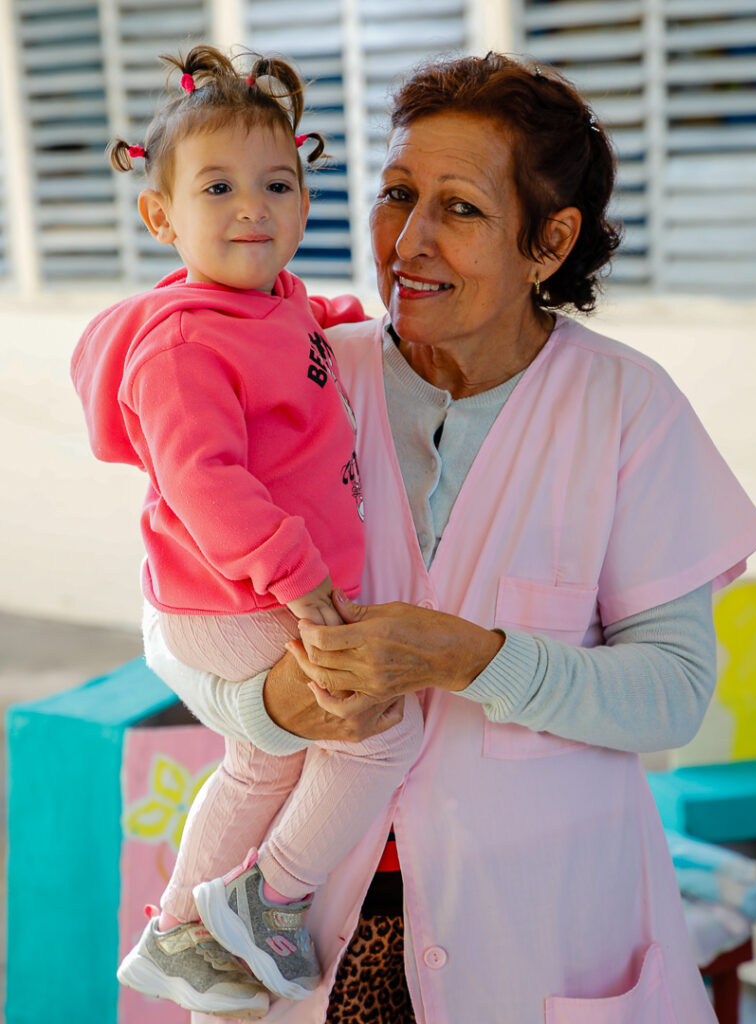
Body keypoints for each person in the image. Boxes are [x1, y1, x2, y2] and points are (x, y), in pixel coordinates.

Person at [143, 52, 756, 1024]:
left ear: (549, 240)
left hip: (546, 933)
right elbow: (168, 614)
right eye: (397, 194)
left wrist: (474, 659)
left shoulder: (625, 407)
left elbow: (674, 695)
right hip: (315, 943)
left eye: (462, 209)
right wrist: (265, 705)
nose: (409, 240)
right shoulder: (302, 368)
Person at [71, 45, 424, 1019]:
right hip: (235, 593)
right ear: (161, 215)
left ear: (305, 206)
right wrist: (307, 587)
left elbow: (321, 327)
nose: (250, 207)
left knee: (262, 759)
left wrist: (385, 332)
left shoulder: (277, 305)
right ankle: (266, 898)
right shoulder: (185, 342)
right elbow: (206, 485)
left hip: (237, 591)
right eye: (217, 186)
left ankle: (182, 928)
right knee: (378, 735)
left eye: (276, 184)